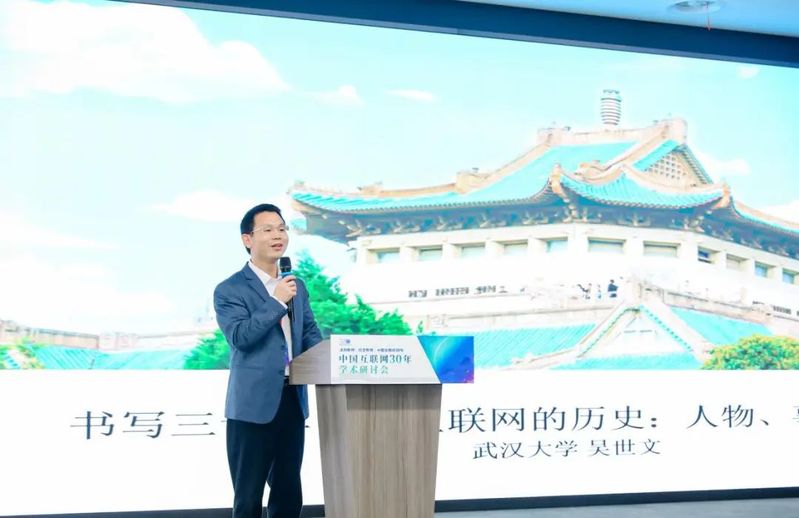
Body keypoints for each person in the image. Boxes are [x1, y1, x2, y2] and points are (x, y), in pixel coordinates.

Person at [214, 203, 322, 518]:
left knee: (288, 493)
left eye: (282, 229)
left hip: (292, 399)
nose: (278, 235)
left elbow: (309, 332)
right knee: (248, 497)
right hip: (252, 407)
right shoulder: (230, 289)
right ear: (248, 239)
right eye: (268, 230)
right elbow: (240, 336)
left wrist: (330, 357)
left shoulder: (296, 286)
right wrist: (276, 301)